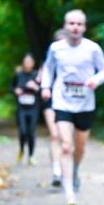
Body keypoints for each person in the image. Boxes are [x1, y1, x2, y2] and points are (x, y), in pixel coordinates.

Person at [40, 10, 104, 205]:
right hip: (62, 101)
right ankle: (69, 192)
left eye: (79, 24)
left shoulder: (92, 49)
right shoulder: (56, 48)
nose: (75, 27)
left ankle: (75, 169)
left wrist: (95, 80)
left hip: (85, 103)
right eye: (71, 23)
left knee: (79, 148)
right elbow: (48, 68)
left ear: (84, 28)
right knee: (65, 145)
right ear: (65, 26)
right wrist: (45, 87)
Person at [38, 29, 67, 188]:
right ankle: (56, 171)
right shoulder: (49, 60)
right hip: (51, 100)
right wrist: (43, 84)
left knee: (65, 138)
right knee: (54, 135)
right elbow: (42, 76)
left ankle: (67, 169)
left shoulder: (73, 59)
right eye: (58, 40)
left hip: (69, 101)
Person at [12, 53, 40, 165]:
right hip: (21, 108)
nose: (28, 63)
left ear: (33, 63)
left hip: (33, 108)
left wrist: (35, 87)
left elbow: (44, 91)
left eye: (30, 61)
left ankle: (31, 156)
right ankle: (22, 150)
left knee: (31, 132)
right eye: (26, 61)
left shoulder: (37, 75)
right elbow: (11, 87)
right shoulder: (18, 75)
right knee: (23, 131)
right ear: (23, 63)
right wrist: (15, 91)